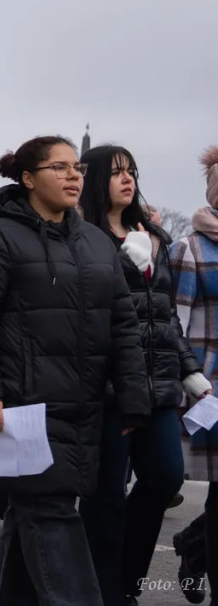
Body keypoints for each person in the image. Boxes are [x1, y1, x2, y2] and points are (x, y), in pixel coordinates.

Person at [0, 135, 150, 605]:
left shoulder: (96, 242)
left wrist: (133, 397)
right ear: (28, 178)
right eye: (59, 167)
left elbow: (123, 322)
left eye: (77, 168)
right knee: (52, 512)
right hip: (23, 407)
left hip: (85, 407)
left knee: (34, 518)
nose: (73, 176)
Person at [76, 145, 210, 605]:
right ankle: (106, 588)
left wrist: (189, 370)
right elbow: (89, 308)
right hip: (109, 386)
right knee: (106, 494)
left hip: (158, 382)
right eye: (116, 173)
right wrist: (121, 262)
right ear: (95, 180)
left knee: (165, 478)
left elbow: (165, 315)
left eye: (131, 171)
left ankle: (127, 579)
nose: (127, 179)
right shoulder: (82, 234)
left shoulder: (150, 231)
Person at [169, 146, 218, 606]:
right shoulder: (190, 248)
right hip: (210, 387)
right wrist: (190, 386)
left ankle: (192, 547)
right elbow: (175, 326)